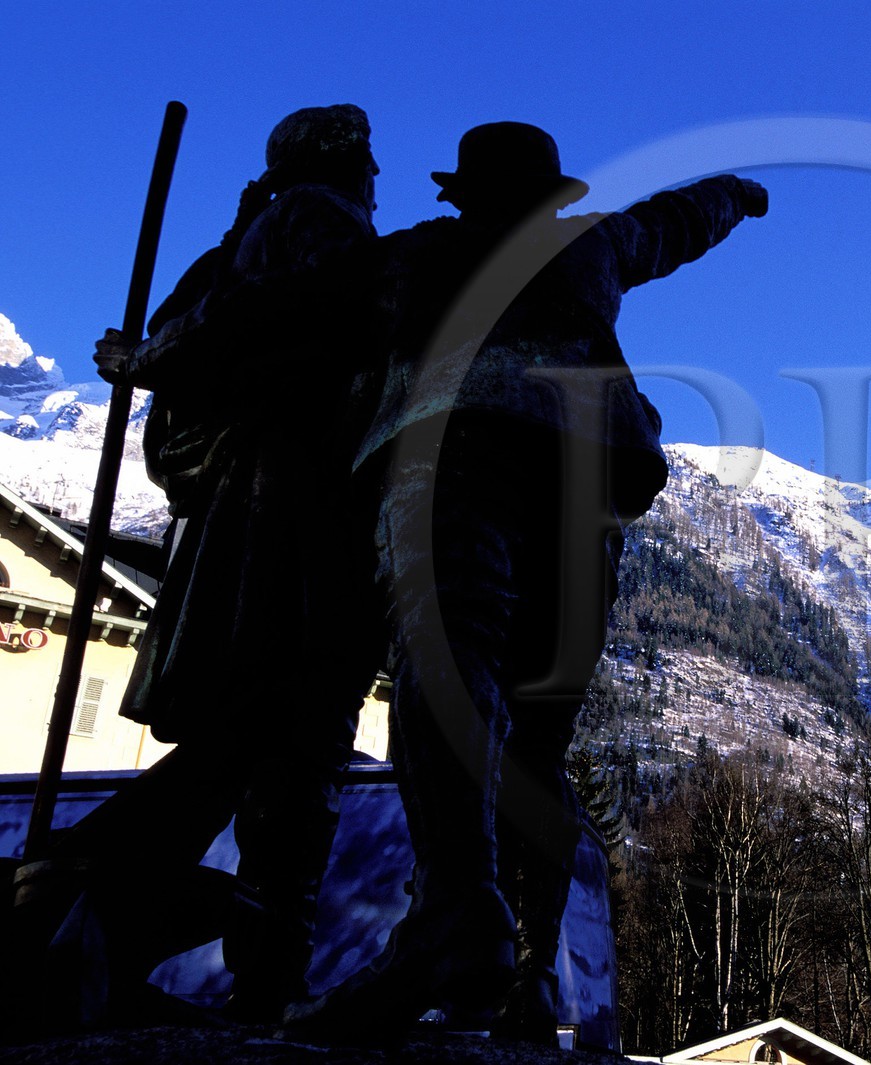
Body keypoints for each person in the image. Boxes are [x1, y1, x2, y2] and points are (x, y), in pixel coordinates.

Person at [283, 122, 767, 1044]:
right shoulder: (591, 244)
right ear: (552, 197)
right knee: (540, 729)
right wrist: (737, 193)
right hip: (590, 468)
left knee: (446, 654)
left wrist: (152, 350)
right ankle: (532, 973)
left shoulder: (412, 256)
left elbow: (276, 311)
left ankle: (456, 914)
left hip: (453, 449)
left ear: (461, 193)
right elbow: (676, 221)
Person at [49, 103, 385, 1025]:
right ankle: (241, 963)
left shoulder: (297, 223)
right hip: (289, 525)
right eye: (360, 156)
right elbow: (242, 312)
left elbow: (219, 315)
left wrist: (148, 355)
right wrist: (150, 358)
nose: (374, 173)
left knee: (269, 747)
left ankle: (123, 908)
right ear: (329, 162)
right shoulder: (318, 219)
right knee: (282, 741)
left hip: (288, 515)